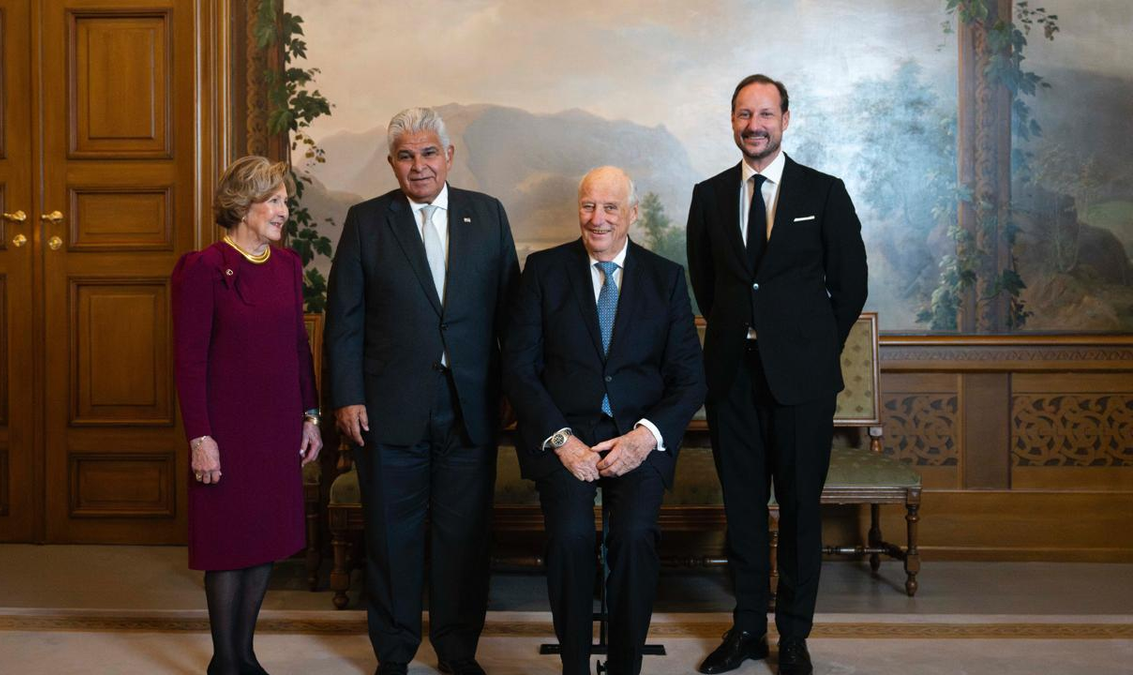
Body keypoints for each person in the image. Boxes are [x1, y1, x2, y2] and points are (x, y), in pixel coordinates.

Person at [325, 107, 520, 675]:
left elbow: (512, 314)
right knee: (391, 538)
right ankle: (394, 653)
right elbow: (344, 320)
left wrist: (513, 389)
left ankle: (459, 652)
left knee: (464, 537)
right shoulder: (366, 222)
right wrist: (347, 396)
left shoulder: (487, 216)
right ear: (392, 164)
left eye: (429, 153)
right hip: (387, 408)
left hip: (471, 405)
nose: (419, 166)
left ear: (449, 157)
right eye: (406, 156)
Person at [687, 75, 868, 675]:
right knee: (741, 509)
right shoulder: (708, 196)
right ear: (732, 121)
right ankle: (745, 631)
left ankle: (793, 635)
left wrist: (810, 349)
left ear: (786, 119)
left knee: (797, 510)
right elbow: (708, 286)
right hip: (732, 378)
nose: (754, 125)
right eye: (744, 114)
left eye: (765, 113)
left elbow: (850, 286)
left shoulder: (825, 191)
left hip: (803, 384)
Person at [504, 166, 706, 675]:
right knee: (571, 538)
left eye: (611, 207)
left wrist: (646, 437)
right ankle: (574, 665)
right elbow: (519, 369)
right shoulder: (544, 271)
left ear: (632, 214)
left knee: (634, 537)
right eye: (589, 206)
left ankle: (624, 667)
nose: (598, 219)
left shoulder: (666, 279)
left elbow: (690, 379)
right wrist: (561, 441)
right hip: (563, 435)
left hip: (638, 437)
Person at [172, 155, 324, 675]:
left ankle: (245, 654)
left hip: (277, 425)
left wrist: (310, 416)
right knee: (227, 544)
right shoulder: (204, 268)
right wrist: (200, 437)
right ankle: (225, 660)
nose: (285, 210)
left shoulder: (288, 267)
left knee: (265, 540)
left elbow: (299, 348)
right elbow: (189, 361)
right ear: (244, 203)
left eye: (285, 200)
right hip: (226, 429)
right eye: (275, 200)